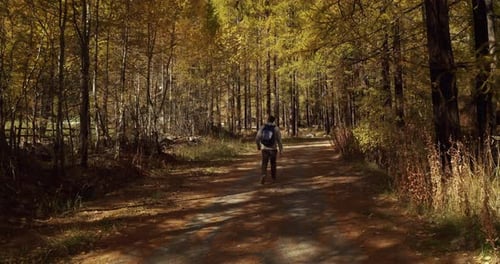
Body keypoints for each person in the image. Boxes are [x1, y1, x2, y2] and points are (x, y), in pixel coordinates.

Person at [255, 115, 283, 184]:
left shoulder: (263, 127)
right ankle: (273, 178)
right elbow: (279, 140)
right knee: (273, 163)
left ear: (267, 120)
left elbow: (257, 138)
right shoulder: (276, 128)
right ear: (273, 121)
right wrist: (281, 149)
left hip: (264, 148)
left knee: (264, 163)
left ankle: (263, 175)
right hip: (273, 149)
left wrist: (258, 146)